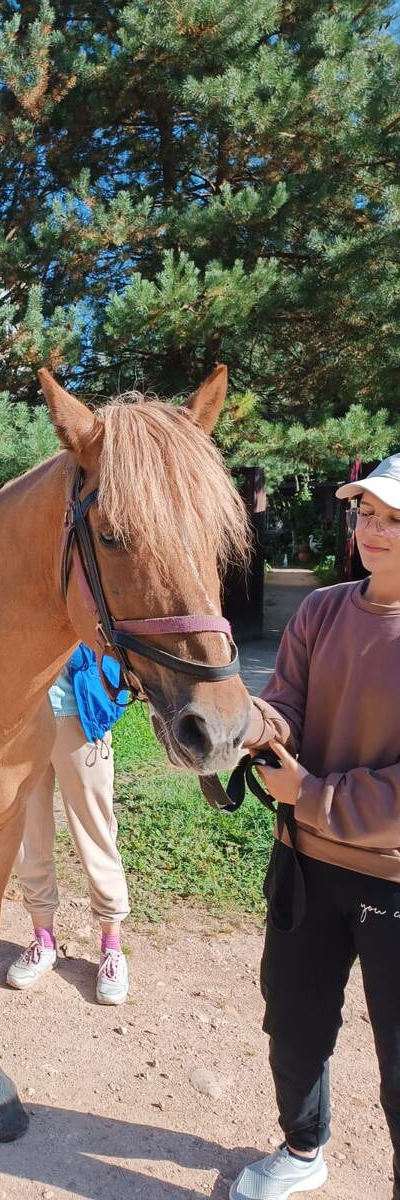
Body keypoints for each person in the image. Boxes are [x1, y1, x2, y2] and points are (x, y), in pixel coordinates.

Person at [230, 453, 400, 1200]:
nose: (375, 530)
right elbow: (287, 704)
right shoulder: (323, 610)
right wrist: (246, 723)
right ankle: (303, 1150)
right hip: (303, 862)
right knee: (294, 1023)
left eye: (395, 519)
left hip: (391, 878)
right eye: (367, 513)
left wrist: (312, 794)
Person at [5, 645, 130, 1005]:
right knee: (28, 835)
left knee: (96, 835)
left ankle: (111, 947)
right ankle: (43, 941)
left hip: (81, 716)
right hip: (24, 718)